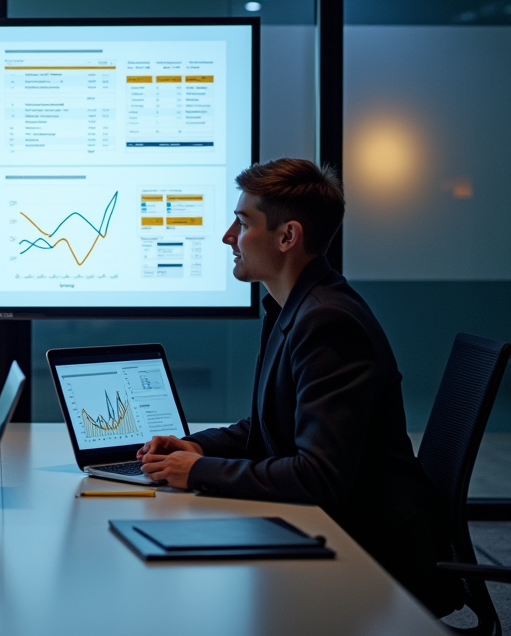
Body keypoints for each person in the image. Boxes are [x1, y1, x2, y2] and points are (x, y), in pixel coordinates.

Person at [136, 158, 462, 617]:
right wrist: (194, 447)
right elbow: (268, 425)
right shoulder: (295, 308)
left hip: (371, 556)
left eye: (243, 223)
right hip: (336, 527)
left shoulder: (328, 321)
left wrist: (194, 472)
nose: (228, 237)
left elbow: (319, 477)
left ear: (288, 236)